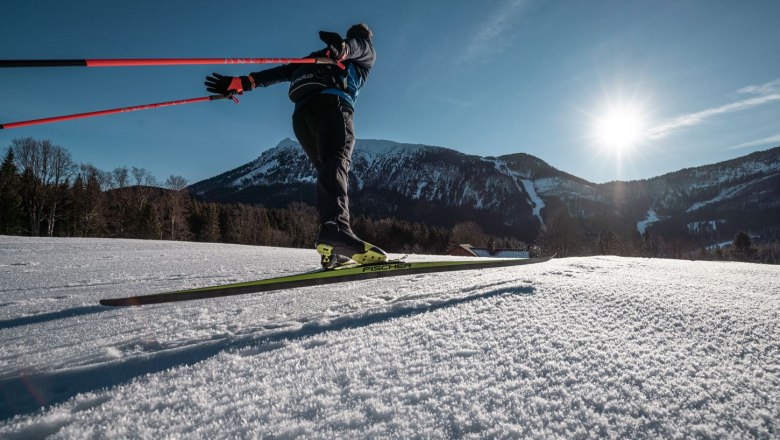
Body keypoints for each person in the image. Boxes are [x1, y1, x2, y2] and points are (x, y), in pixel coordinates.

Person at [204, 23, 387, 269]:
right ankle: (336, 231)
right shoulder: (364, 50)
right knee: (336, 164)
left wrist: (243, 82)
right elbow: (356, 48)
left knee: (327, 171)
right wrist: (343, 49)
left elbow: (282, 72)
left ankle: (332, 245)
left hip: (302, 117)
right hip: (333, 108)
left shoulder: (324, 56)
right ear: (366, 37)